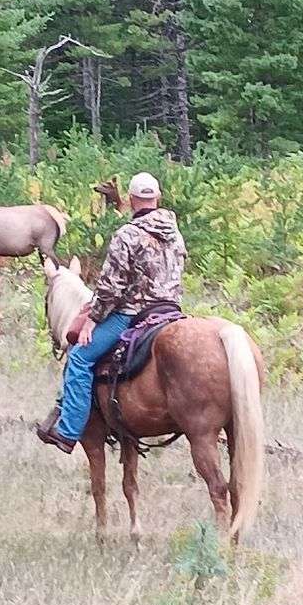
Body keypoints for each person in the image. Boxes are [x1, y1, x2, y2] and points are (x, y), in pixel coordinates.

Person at [36, 172, 186, 454]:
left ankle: (68, 431)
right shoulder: (175, 233)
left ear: (130, 200)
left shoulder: (127, 234)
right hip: (170, 311)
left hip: (133, 314)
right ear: (158, 197)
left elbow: (111, 287)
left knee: (79, 357)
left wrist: (92, 320)